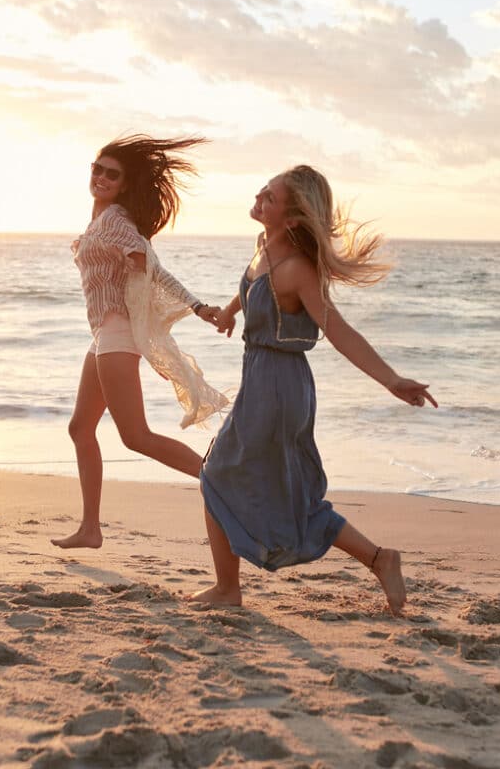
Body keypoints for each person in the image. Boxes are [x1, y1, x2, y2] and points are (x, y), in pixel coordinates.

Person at [193, 165, 437, 615]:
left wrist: (391, 380)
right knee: (248, 482)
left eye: (270, 198)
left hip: (279, 389)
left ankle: (229, 588)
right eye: (262, 190)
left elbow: (339, 331)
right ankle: (380, 560)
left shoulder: (297, 270)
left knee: (216, 473)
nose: (259, 197)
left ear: (290, 218)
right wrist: (229, 312)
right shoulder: (265, 248)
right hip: (263, 381)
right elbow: (251, 288)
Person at [54, 135, 228, 550]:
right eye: (97, 168)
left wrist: (198, 306)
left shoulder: (116, 222)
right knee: (80, 427)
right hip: (102, 336)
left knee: (135, 435)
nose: (101, 177)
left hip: (116, 333)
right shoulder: (99, 221)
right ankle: (90, 528)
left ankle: (220, 478)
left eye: (112, 174)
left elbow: (153, 268)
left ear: (123, 184)